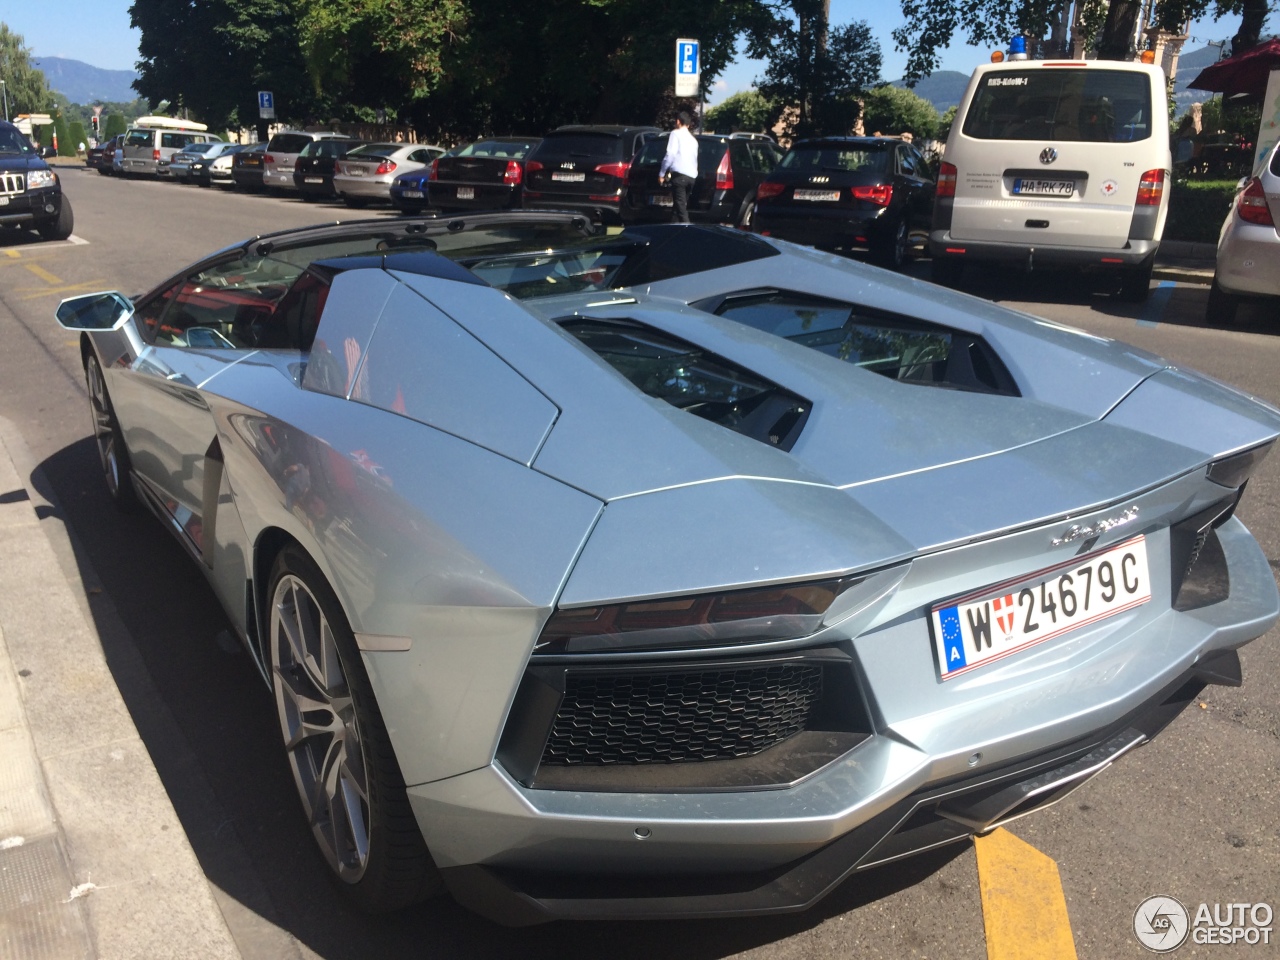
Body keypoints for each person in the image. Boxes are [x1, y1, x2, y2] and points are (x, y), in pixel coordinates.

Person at [658, 111, 698, 223]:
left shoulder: (675, 134)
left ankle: (688, 229)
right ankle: (673, 230)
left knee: (681, 208)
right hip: (691, 177)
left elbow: (670, 154)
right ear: (689, 125)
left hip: (679, 176)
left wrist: (662, 173)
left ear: (678, 122)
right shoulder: (693, 140)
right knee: (677, 207)